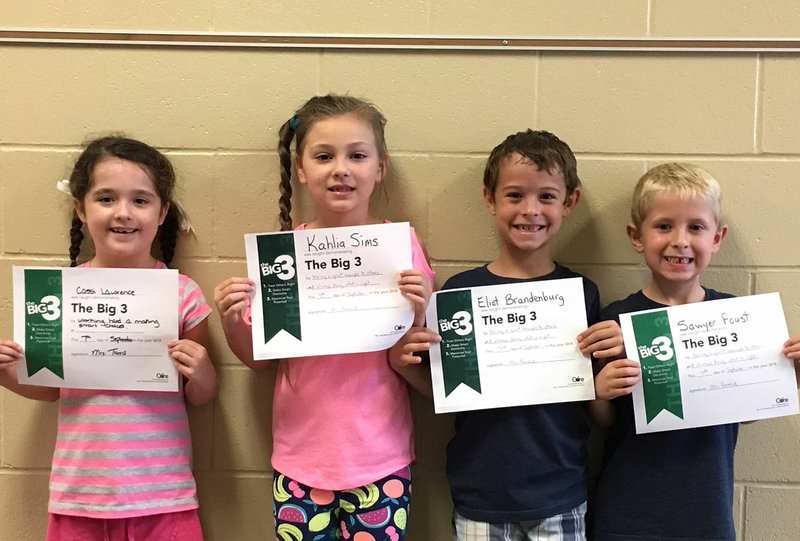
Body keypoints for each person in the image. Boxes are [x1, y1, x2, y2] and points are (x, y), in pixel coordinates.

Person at [214, 94, 436, 541]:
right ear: (300, 169)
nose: (341, 168)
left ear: (381, 167)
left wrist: (422, 304)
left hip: (380, 457)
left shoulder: (402, 246)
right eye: (323, 156)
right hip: (300, 459)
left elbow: (422, 350)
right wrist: (233, 321)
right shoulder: (282, 257)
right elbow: (260, 361)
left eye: (357, 155)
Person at [0, 136, 218, 541]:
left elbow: (200, 395)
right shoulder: (57, 294)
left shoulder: (183, 293)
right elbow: (51, 391)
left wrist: (202, 372)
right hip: (79, 495)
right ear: (80, 208)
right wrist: (7, 373)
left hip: (164, 496)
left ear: (162, 211)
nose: (124, 213)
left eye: (140, 200)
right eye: (106, 198)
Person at [441, 129, 623, 540]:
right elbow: (445, 390)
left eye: (546, 196)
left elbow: (597, 411)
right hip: (479, 492)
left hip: (559, 491)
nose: (530, 210)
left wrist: (603, 386)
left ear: (569, 202)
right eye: (514, 195)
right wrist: (402, 363)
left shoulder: (582, 294)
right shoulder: (458, 294)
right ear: (489, 198)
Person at [590, 162, 738, 540]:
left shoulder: (733, 318)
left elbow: (741, 411)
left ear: (717, 238)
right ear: (636, 236)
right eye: (664, 226)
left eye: (696, 227)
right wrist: (601, 392)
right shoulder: (616, 320)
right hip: (626, 512)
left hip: (706, 511)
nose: (680, 240)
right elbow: (605, 421)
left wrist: (791, 378)